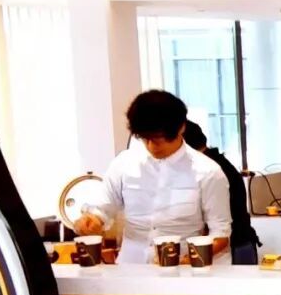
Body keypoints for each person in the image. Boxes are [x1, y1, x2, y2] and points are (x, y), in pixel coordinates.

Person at [74, 91, 232, 264]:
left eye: (158, 139)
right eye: (145, 139)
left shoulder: (208, 171)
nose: (151, 146)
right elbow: (102, 210)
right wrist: (91, 221)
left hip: (182, 269)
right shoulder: (123, 163)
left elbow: (220, 234)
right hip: (130, 267)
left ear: (181, 128)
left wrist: (187, 261)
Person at [183, 121, 261, 265]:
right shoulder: (218, 162)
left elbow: (217, 224)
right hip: (240, 240)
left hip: (234, 245)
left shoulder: (210, 170)